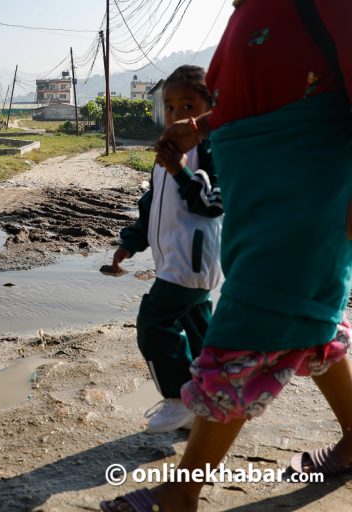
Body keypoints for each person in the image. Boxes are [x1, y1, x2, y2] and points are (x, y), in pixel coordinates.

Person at [102, 0, 352, 510]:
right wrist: (200, 130)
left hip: (303, 194)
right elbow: (256, 98)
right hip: (262, 203)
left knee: (254, 322)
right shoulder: (249, 11)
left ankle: (181, 495)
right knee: (307, 321)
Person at [112, 65, 223, 433]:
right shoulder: (167, 153)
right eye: (171, 108)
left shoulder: (210, 149)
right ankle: (210, 400)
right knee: (196, 332)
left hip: (192, 261)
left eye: (188, 107)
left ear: (210, 110)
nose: (178, 116)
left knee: (154, 323)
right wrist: (131, 242)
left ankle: (178, 400)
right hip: (174, 261)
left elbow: (213, 203)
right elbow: (153, 203)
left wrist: (179, 169)